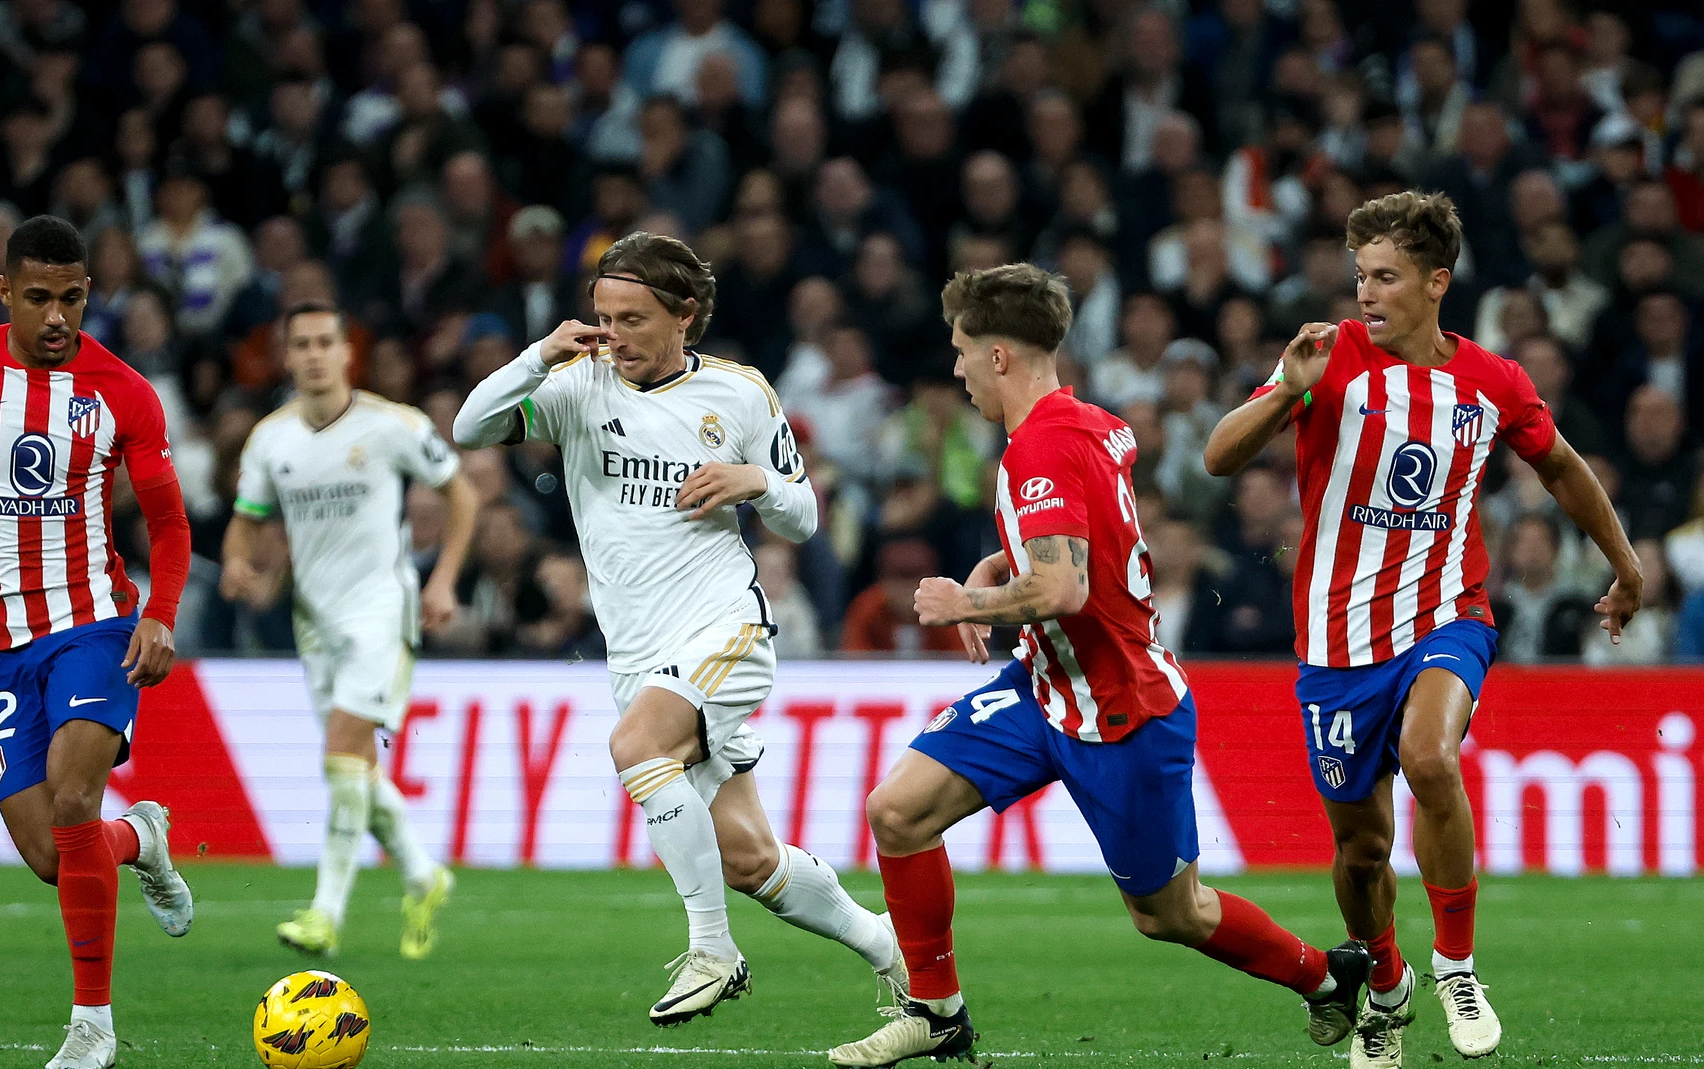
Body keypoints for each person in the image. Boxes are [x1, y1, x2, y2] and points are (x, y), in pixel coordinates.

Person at [831, 263, 1369, 1068]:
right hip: (1046, 687)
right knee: (897, 812)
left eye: (963, 350)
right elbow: (1091, 548)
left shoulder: (1037, 448)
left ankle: (1327, 977)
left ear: (1001, 356)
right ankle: (937, 1011)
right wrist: (995, 562)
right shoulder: (1089, 422)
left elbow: (1062, 584)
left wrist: (962, 604)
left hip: (1122, 712)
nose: (957, 368)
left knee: (1168, 911)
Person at [1203, 190, 1640, 1068]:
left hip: (1450, 613)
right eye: (1360, 274)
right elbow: (1219, 456)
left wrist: (1624, 566)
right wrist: (1285, 386)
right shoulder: (1327, 357)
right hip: (1335, 645)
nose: (1366, 292)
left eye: (1386, 277)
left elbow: (1560, 468)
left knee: (1433, 758)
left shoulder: (1492, 380)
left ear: (1437, 282)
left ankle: (1456, 964)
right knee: (1360, 851)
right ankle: (1388, 984)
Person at [453, 231, 903, 1027]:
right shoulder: (578, 386)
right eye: (603, 316)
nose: (614, 334)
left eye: (632, 318)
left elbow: (802, 517)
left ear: (684, 316)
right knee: (750, 859)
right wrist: (539, 354)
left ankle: (713, 951)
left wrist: (755, 480)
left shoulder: (739, 394)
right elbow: (470, 427)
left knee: (636, 747)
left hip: (724, 627)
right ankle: (887, 944)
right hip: (637, 653)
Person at [0, 216, 195, 1069]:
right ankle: (144, 836)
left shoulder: (123, 391)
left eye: (75, 298)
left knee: (74, 799)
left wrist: (160, 611)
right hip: (1, 644)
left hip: (94, 625)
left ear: (91, 293)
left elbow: (167, 519)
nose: (59, 317)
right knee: (57, 854)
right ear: (6, 291)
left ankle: (92, 1024)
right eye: (42, 298)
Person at [219, 300, 481, 959]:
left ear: (346, 353)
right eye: (300, 343)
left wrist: (444, 579)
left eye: (324, 342)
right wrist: (234, 562)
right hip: (315, 622)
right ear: (287, 356)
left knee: (341, 755)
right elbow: (246, 516)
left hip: (379, 611)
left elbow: (462, 493)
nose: (312, 353)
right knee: (356, 768)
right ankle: (423, 873)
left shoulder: (392, 426)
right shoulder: (270, 439)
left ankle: (325, 913)